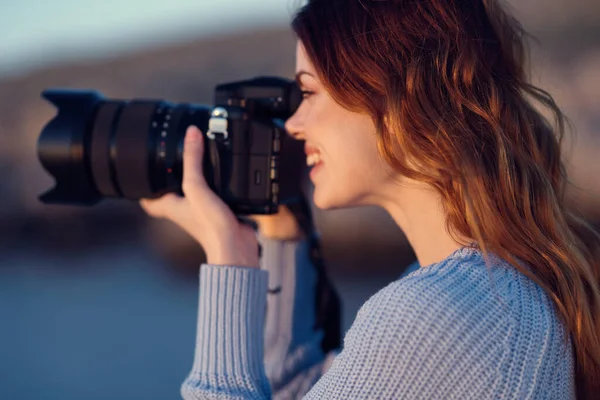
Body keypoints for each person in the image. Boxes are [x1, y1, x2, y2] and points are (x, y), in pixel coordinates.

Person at [140, 0, 600, 398]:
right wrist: (281, 235)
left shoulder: (431, 316)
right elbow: (296, 393)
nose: (294, 124)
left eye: (309, 92)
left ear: (397, 97)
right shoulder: (486, 289)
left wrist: (229, 262)